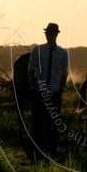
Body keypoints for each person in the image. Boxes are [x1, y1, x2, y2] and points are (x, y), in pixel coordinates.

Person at [28, 22, 69, 154]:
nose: (48, 36)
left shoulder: (62, 53)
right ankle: (36, 150)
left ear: (56, 35)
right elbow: (31, 70)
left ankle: (52, 150)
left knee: (54, 123)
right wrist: (36, 87)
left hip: (55, 92)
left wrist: (60, 90)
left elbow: (64, 74)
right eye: (47, 33)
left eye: (51, 33)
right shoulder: (38, 50)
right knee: (38, 122)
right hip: (40, 92)